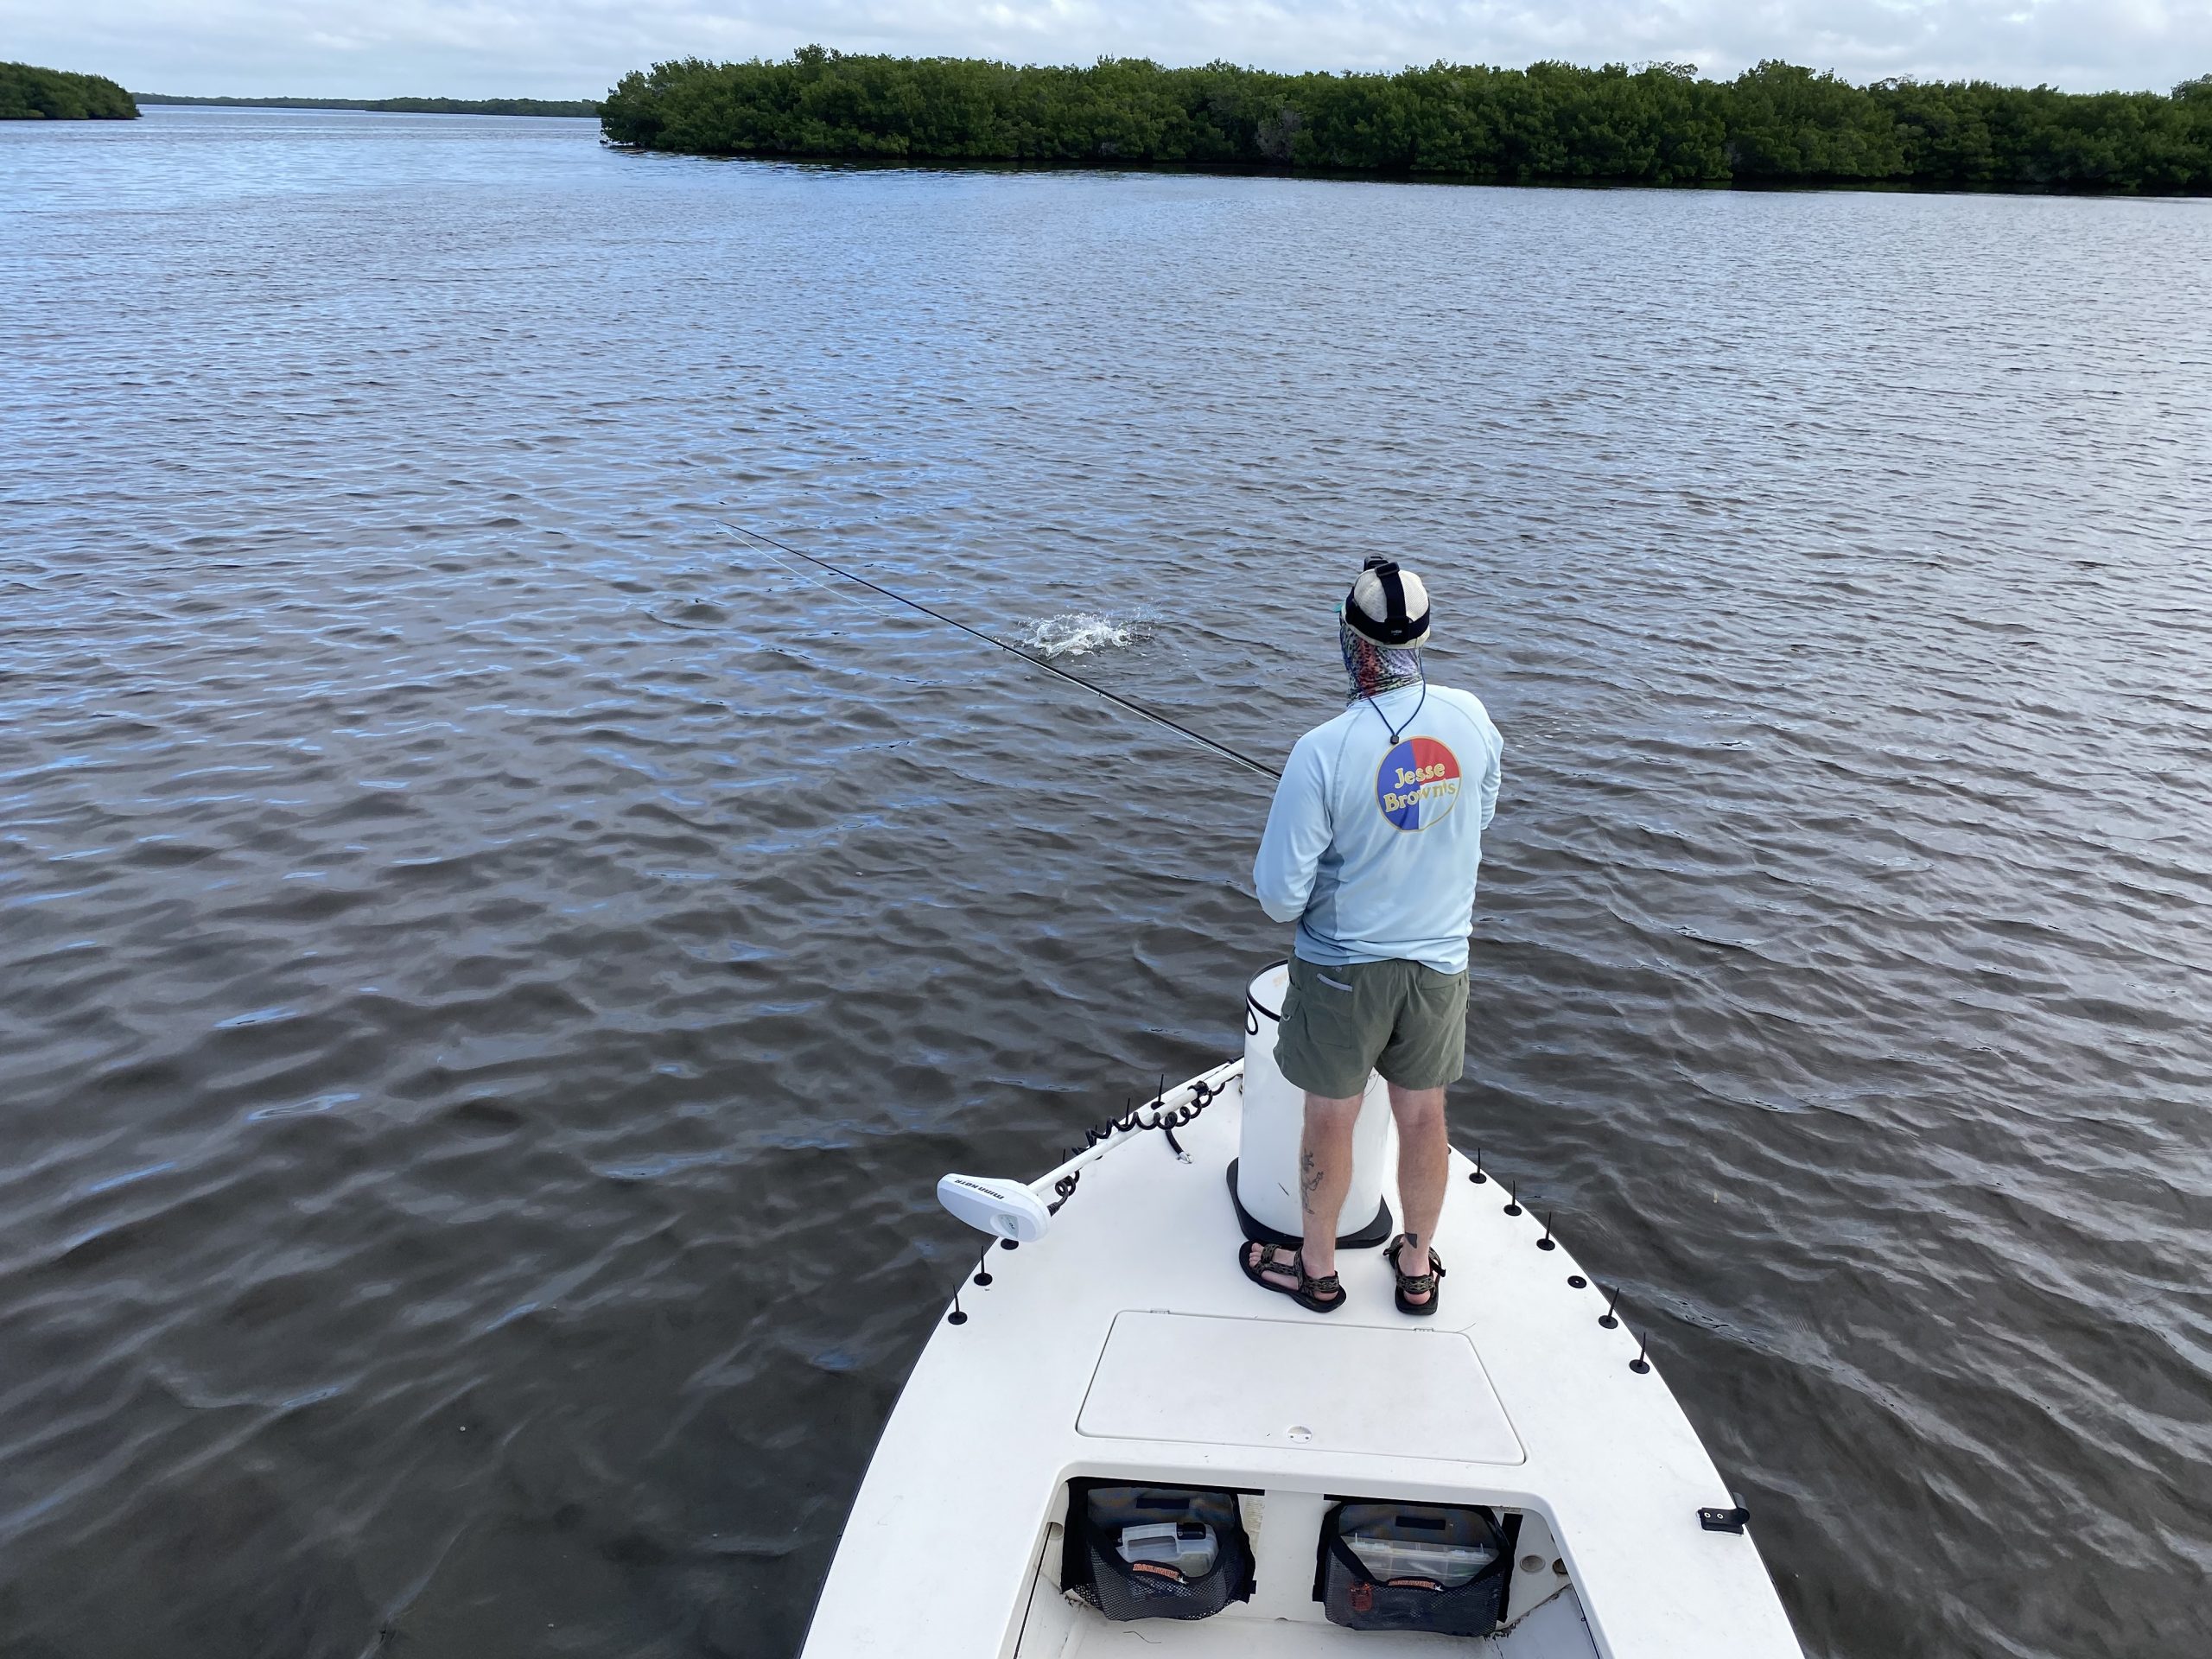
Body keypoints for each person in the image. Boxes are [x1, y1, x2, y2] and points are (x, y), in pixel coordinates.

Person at [1242, 557, 1503, 1316]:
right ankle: (1416, 1267)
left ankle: (1317, 1270)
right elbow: (1476, 816)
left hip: (1342, 973)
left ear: (1350, 642)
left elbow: (1278, 898)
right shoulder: (1473, 718)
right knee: (1424, 1115)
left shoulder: (1321, 750)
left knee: (1330, 1115)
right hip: (1440, 964)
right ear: (1424, 636)